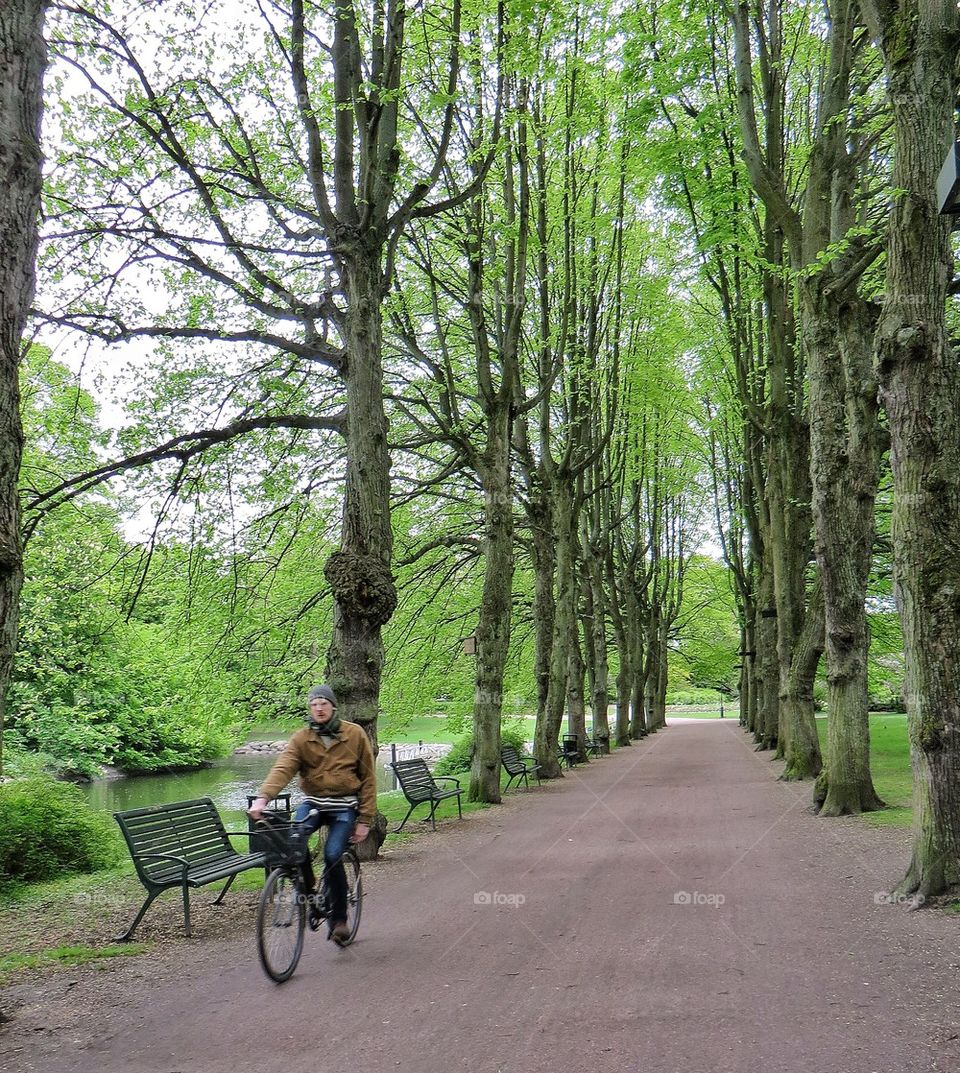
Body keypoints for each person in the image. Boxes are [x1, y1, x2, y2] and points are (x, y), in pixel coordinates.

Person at [248, 684, 376, 944]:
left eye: (324, 704)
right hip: (314, 802)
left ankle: (339, 919)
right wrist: (263, 799)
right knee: (294, 840)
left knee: (332, 854)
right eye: (314, 704)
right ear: (310, 708)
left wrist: (364, 820)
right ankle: (309, 886)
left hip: (344, 806)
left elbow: (369, 779)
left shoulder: (354, 734)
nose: (319, 708)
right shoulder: (302, 738)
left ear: (333, 707)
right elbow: (283, 768)